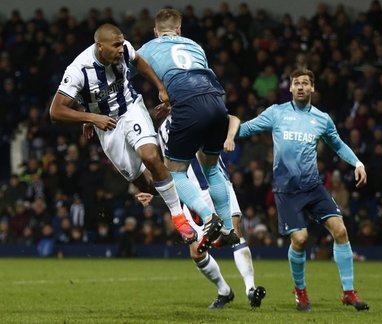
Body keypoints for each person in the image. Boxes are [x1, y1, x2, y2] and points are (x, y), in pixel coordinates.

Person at [236, 68, 369, 312]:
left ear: (312, 88)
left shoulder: (321, 118)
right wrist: (222, 128)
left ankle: (349, 293)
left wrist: (357, 163)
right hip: (286, 191)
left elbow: (337, 145)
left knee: (340, 230)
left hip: (313, 187)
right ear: (290, 87)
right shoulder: (276, 113)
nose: (300, 87)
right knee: (300, 239)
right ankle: (300, 292)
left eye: (305, 83)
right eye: (296, 83)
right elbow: (246, 129)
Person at [49, 24, 196, 244]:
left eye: (122, 43)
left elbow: (139, 62)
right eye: (115, 45)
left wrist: (160, 87)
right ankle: (179, 193)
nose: (121, 49)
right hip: (107, 125)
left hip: (131, 108)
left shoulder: (125, 49)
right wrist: (90, 117)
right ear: (100, 47)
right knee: (146, 184)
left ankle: (180, 216)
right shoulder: (78, 70)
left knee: (150, 156)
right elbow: (56, 111)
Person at [137, 113, 266, 309]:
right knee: (197, 253)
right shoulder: (160, 131)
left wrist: (229, 138)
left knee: (234, 235)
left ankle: (250, 289)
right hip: (191, 197)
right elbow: (164, 169)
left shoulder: (199, 108)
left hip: (218, 186)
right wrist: (155, 193)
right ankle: (224, 291)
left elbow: (233, 119)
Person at [136, 8, 232, 253]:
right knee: (211, 168)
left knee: (173, 171)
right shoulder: (194, 45)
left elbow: (126, 73)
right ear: (179, 29)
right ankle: (228, 230)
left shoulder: (147, 48)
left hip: (189, 106)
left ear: (156, 31)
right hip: (217, 102)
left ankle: (209, 217)